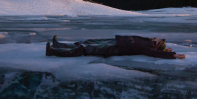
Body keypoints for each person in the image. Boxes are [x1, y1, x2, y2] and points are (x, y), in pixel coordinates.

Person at [46, 35, 186, 59]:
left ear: (157, 44)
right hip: (116, 41)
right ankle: (59, 45)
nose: (156, 38)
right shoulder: (148, 42)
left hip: (116, 49)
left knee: (85, 49)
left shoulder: (148, 48)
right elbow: (160, 49)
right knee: (87, 42)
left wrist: (172, 55)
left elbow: (158, 54)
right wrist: (166, 49)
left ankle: (53, 51)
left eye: (158, 40)